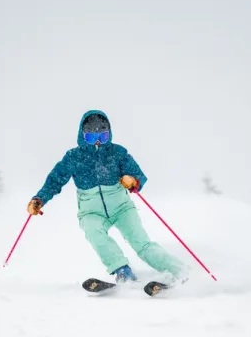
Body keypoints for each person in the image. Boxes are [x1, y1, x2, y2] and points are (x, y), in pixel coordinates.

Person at [27, 109, 187, 284]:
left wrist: (132, 180)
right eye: (91, 137)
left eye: (102, 137)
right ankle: (122, 271)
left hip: (122, 209)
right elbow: (54, 181)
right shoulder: (73, 157)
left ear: (108, 134)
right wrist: (39, 199)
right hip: (91, 212)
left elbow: (138, 175)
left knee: (142, 244)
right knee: (94, 233)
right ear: (82, 135)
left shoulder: (117, 153)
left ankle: (181, 272)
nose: (97, 142)